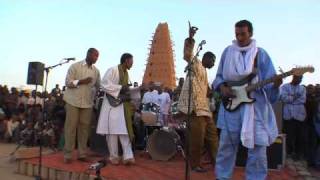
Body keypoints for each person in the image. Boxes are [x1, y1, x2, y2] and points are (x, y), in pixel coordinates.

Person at [213, 20, 282, 180]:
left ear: (250, 33)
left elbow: (270, 91)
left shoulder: (261, 55)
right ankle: (222, 177)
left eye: (243, 34)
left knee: (257, 151)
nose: (239, 37)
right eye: (237, 34)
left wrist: (276, 85)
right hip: (231, 109)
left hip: (256, 110)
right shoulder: (227, 52)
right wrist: (222, 87)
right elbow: (218, 78)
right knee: (225, 148)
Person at [177, 24, 218, 172]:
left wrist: (214, 92)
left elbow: (207, 90)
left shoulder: (205, 73)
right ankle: (194, 165)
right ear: (206, 58)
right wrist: (191, 38)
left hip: (206, 110)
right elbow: (188, 54)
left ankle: (217, 164)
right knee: (197, 141)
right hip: (195, 110)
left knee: (213, 138)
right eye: (213, 60)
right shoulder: (196, 64)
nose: (214, 63)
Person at [62, 48, 101, 163]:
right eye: (95, 55)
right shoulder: (75, 66)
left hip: (87, 103)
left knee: (84, 129)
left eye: (98, 56)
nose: (96, 58)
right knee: (71, 127)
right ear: (88, 54)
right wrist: (81, 81)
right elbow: (68, 82)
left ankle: (82, 154)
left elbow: (99, 86)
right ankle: (68, 155)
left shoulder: (96, 71)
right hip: (73, 101)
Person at [96, 53, 135, 165]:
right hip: (111, 106)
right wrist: (120, 87)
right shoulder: (112, 70)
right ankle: (114, 157)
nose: (132, 64)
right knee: (112, 132)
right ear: (126, 60)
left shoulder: (127, 74)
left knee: (124, 131)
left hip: (122, 106)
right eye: (131, 61)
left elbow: (126, 89)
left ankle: (128, 157)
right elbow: (103, 84)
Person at [281, 75, 306, 160]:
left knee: (300, 136)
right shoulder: (285, 87)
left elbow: (303, 100)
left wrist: (291, 98)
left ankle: (297, 154)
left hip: (299, 115)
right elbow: (284, 99)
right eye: (298, 78)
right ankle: (288, 153)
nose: (299, 80)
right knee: (289, 135)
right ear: (294, 77)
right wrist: (295, 97)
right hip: (288, 115)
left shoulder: (302, 88)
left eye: (301, 79)